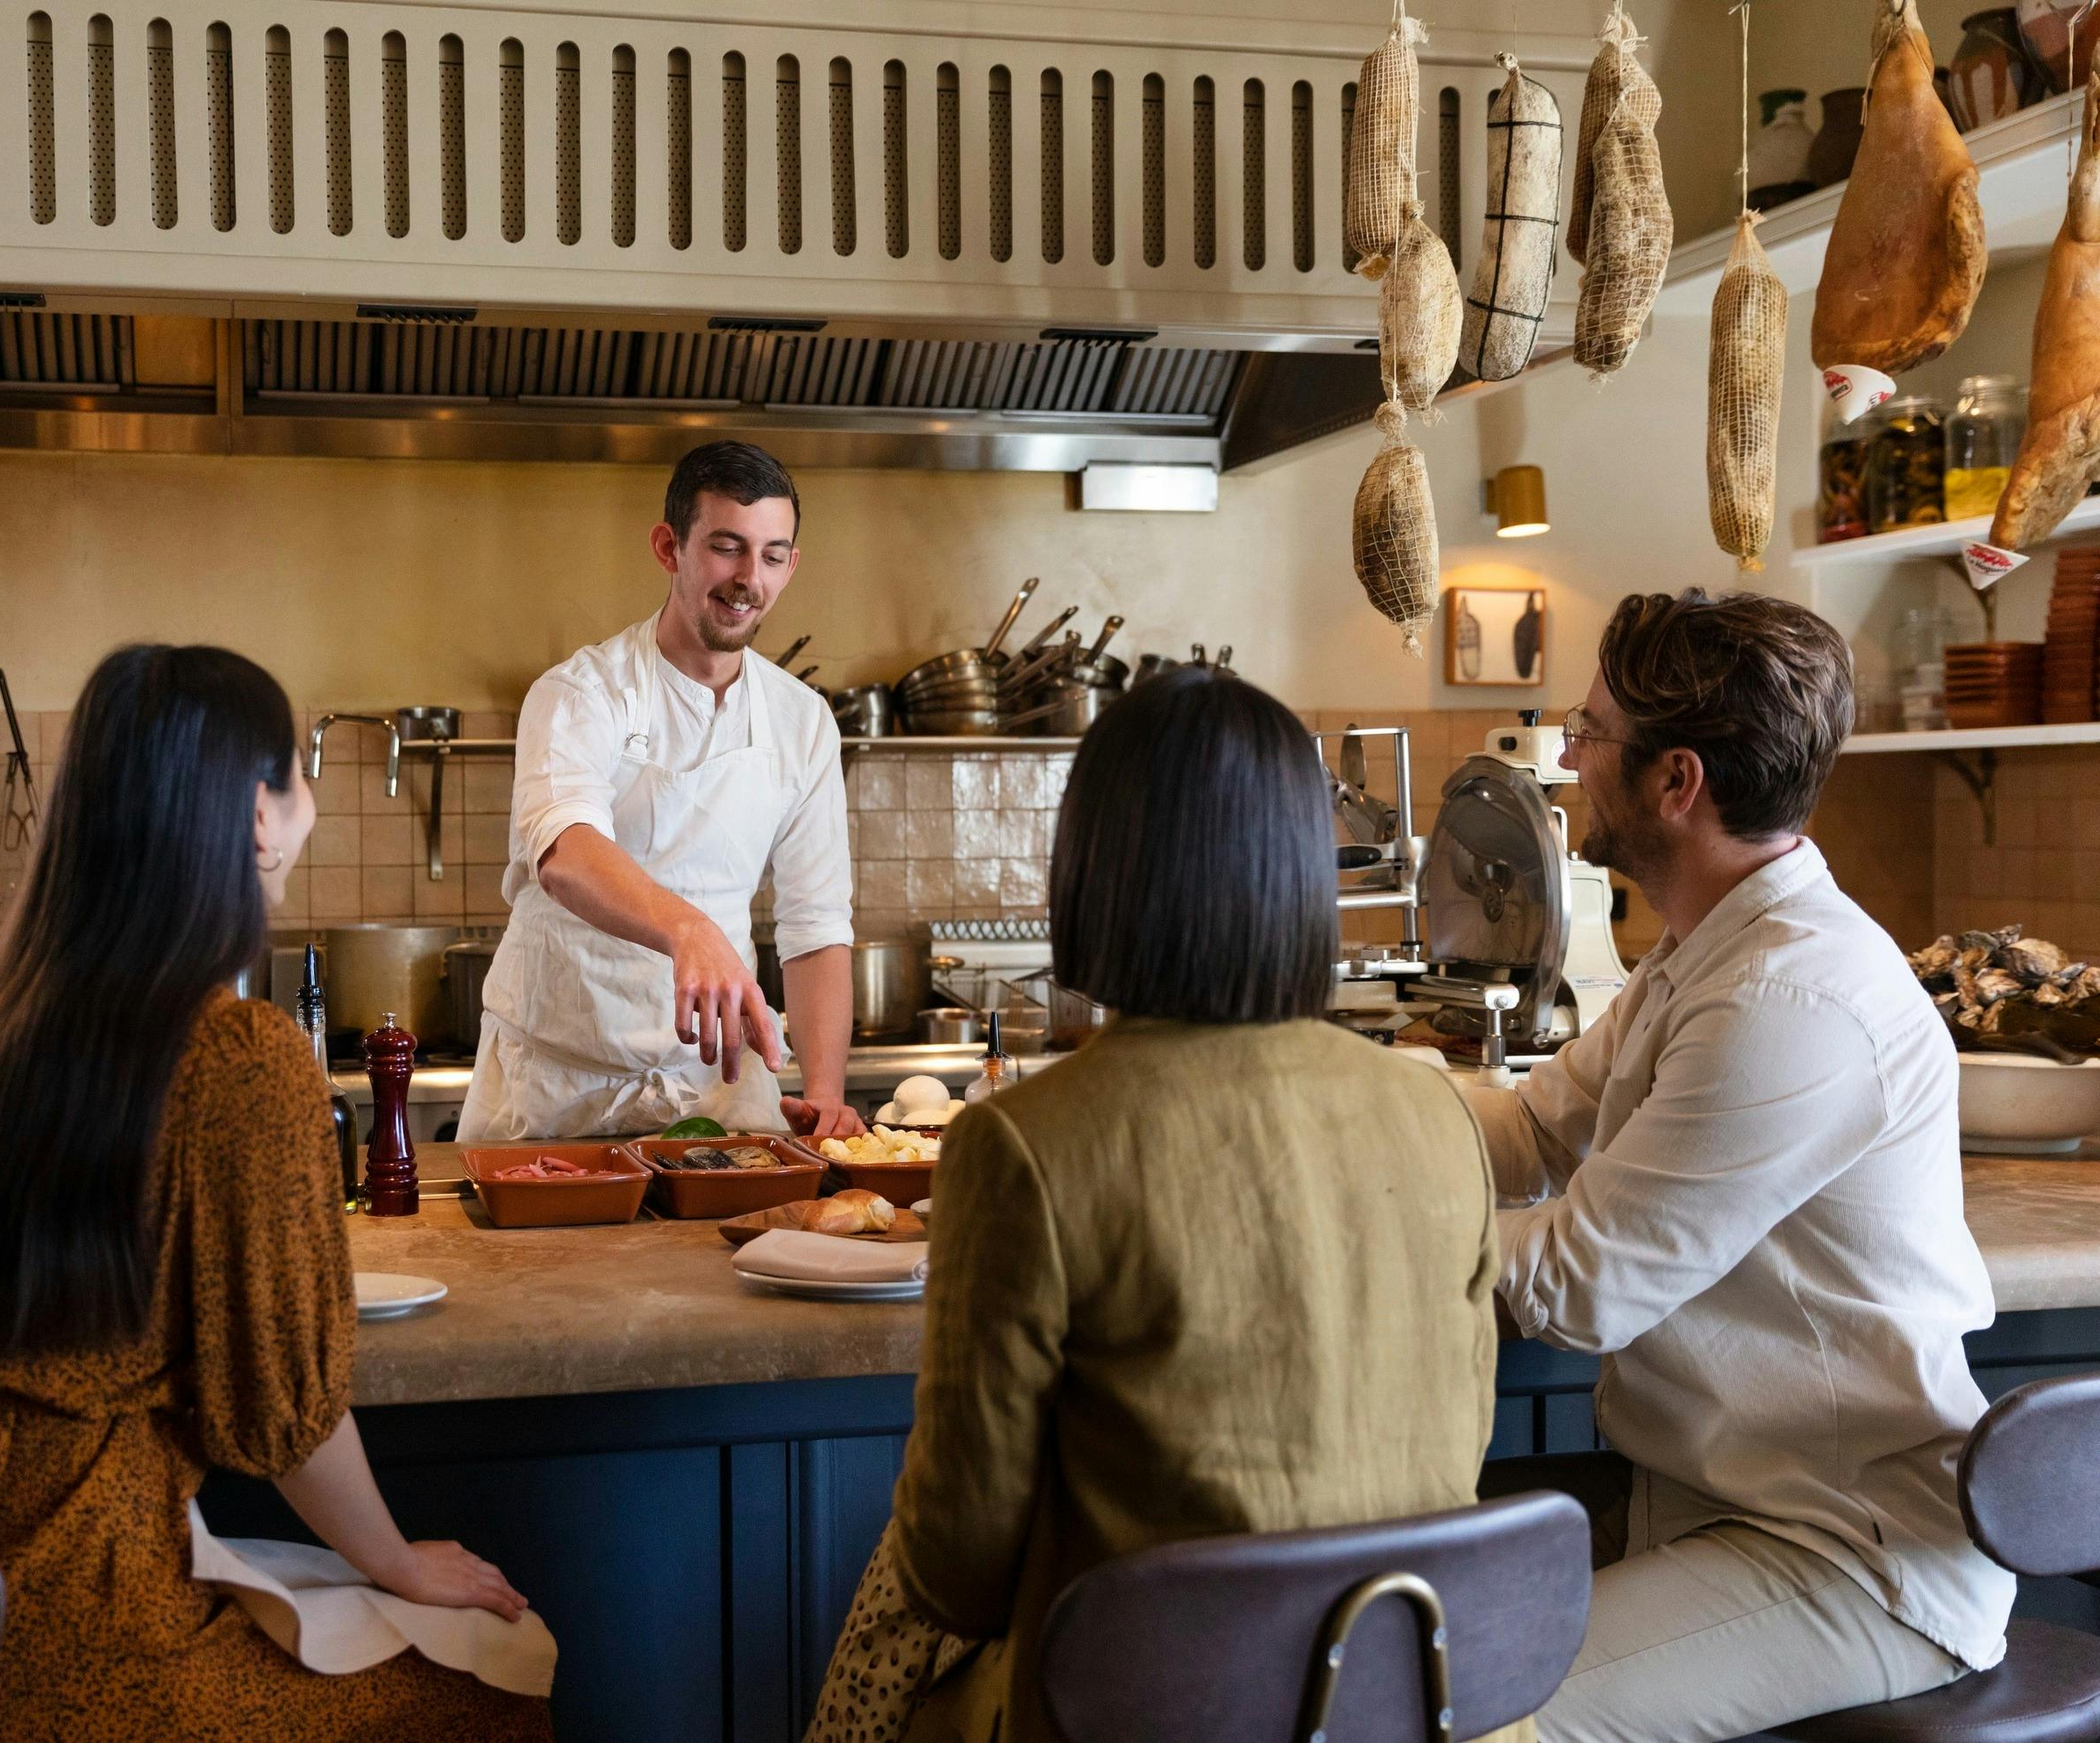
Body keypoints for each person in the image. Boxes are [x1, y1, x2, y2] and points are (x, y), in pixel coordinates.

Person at [0, 645, 549, 1743]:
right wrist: (398, 1560)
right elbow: (279, 1417)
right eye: (297, 777)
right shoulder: (239, 1059)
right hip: (76, 1647)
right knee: (490, 1688)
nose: (308, 811)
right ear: (256, 816)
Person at [807, 669, 1513, 1743]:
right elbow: (1455, 1454)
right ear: (1300, 876)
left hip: (1145, 1714)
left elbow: (957, 1563)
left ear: (1093, 870)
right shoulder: (1439, 1116)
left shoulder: (1024, 1143)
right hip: (1413, 1709)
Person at [1470, 591, 2012, 1743]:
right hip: (1713, 1505)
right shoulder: (1707, 953)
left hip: (1849, 1553)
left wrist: (1353, 1224)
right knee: (1365, 1628)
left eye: (1590, 733)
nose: (1565, 757)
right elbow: (1529, 1129)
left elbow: (1581, 1286)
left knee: (1469, 1714)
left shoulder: (1786, 999)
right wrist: (1330, 1123)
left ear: (1677, 784)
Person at [458, 440, 862, 1142]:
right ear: (669, 547)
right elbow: (566, 852)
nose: (748, 579)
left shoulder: (804, 722)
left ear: (791, 564)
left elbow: (817, 924)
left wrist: (824, 1093)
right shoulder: (580, 692)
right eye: (727, 548)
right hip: (557, 1086)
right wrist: (689, 929)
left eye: (771, 556)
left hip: (720, 1090)